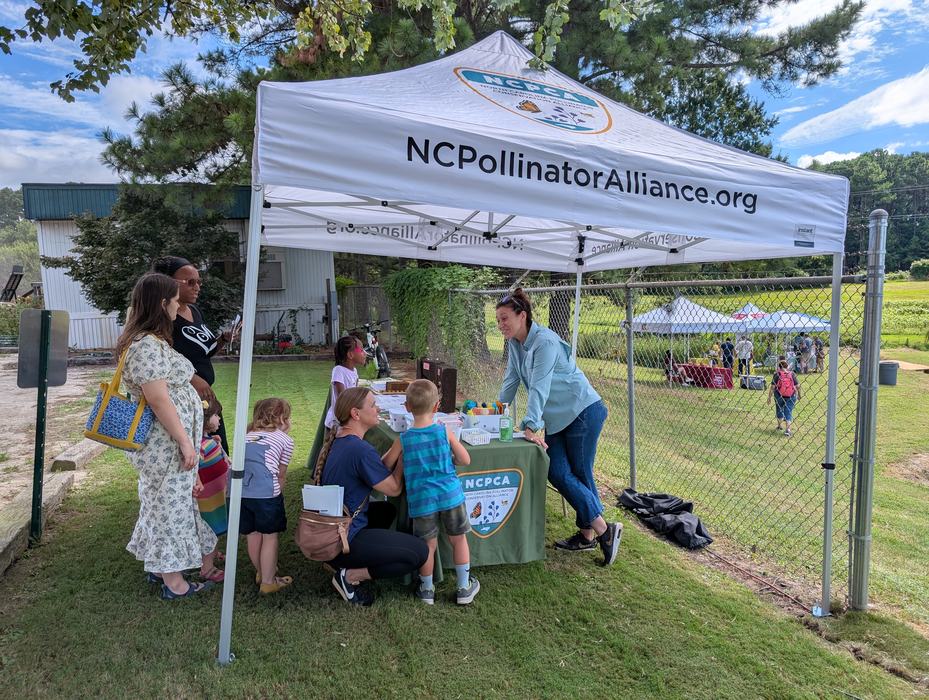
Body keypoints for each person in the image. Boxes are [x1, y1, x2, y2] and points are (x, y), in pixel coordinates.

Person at [496, 289, 622, 566]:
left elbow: (539, 386)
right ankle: (596, 532)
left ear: (522, 316)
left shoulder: (545, 342)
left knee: (578, 472)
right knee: (558, 471)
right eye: (498, 321)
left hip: (582, 411)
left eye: (505, 318)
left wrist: (530, 425)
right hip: (558, 417)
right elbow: (512, 378)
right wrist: (495, 409)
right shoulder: (517, 344)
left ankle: (596, 533)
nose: (501, 325)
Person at [118, 272, 217, 599]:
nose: (178, 306)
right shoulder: (145, 345)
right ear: (162, 304)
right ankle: (174, 583)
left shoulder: (150, 341)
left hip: (168, 443)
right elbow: (158, 398)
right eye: (174, 300)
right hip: (165, 445)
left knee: (162, 503)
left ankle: (160, 567)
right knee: (169, 508)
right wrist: (186, 441)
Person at [317, 387, 429, 606]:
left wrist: (399, 443)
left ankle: (338, 561)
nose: (378, 409)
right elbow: (394, 489)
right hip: (343, 538)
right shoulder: (359, 450)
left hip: (330, 529)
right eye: (372, 405)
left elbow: (376, 469)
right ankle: (348, 576)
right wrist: (403, 459)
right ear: (355, 414)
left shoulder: (342, 439)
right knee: (419, 553)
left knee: (387, 510)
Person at [382, 379, 479, 606]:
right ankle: (463, 588)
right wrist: (451, 459)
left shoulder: (403, 439)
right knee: (459, 540)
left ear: (406, 407)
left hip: (422, 501)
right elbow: (465, 459)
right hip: (451, 496)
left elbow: (385, 463)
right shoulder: (444, 433)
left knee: (428, 545)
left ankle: (427, 590)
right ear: (437, 407)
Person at [152, 256, 236, 452]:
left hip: (207, 398)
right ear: (168, 283)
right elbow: (160, 360)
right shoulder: (162, 319)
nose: (197, 287)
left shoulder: (195, 311)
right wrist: (192, 378)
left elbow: (203, 352)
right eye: (190, 282)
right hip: (184, 400)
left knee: (218, 452)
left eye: (199, 281)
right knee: (198, 455)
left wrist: (223, 339)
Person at [241, 398, 295, 594]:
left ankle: (261, 571)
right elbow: (281, 474)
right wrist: (278, 494)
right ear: (282, 418)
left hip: (240, 492)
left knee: (252, 535)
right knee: (270, 537)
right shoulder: (286, 440)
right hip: (266, 494)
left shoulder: (245, 434)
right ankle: (268, 581)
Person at [195, 396, 230, 583]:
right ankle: (207, 569)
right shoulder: (199, 445)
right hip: (208, 500)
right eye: (216, 415)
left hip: (217, 496)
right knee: (211, 531)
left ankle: (214, 553)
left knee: (217, 529)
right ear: (204, 420)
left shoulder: (208, 439)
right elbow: (192, 466)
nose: (219, 419)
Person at [325, 335, 366, 429]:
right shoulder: (338, 370)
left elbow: (354, 395)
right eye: (361, 350)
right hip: (338, 421)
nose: (365, 353)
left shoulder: (354, 371)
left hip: (349, 416)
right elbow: (343, 398)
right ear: (350, 355)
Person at [767, 359, 801, 436]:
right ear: (787, 366)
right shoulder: (792, 374)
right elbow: (798, 386)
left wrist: (769, 397)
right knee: (788, 411)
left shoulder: (777, 374)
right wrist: (799, 395)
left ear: (779, 367)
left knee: (779, 409)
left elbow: (772, 387)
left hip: (779, 395)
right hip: (791, 395)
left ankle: (779, 426)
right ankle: (788, 430)